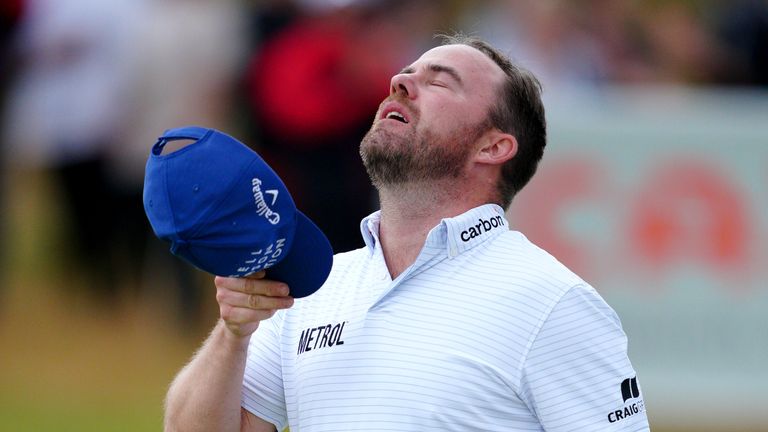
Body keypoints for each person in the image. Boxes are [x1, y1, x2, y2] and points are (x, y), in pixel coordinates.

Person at [162, 34, 650, 431]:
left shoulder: (553, 303)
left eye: (439, 82)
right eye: (406, 73)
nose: (399, 81)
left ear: (494, 146)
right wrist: (234, 335)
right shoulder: (315, 287)